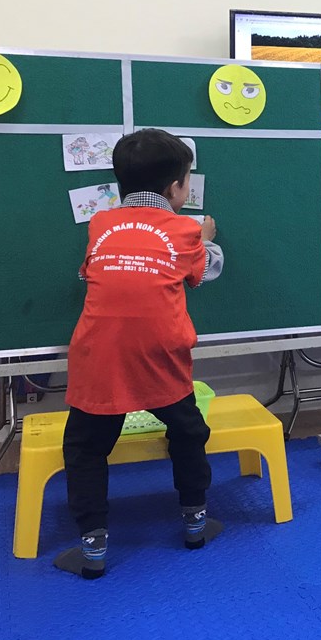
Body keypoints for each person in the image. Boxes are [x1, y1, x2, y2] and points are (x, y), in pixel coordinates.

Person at [55, 128, 225, 578]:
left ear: (120, 183)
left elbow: (89, 273)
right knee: (188, 432)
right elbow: (206, 272)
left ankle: (92, 548)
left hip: (99, 353)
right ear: (176, 188)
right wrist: (207, 238)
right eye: (187, 181)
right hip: (160, 352)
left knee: (85, 448)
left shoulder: (100, 224)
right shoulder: (186, 229)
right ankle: (195, 524)